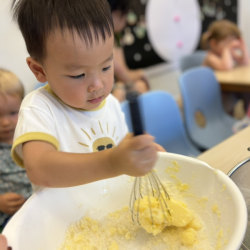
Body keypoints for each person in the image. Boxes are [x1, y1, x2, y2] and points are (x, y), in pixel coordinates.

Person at [11, 0, 164, 191]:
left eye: (106, 67)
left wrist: (136, 151)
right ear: (39, 70)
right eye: (78, 75)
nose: (97, 85)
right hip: (65, 218)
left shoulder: (111, 104)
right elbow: (39, 169)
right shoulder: (39, 108)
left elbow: (118, 146)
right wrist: (113, 162)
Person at [0, 69, 32, 230]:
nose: (5, 122)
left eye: (13, 113)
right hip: (11, 215)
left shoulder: (31, 135)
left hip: (41, 203)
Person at [201, 20, 250, 116]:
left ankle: (246, 117)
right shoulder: (210, 56)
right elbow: (226, 67)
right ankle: (227, 117)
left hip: (225, 89)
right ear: (213, 44)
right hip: (211, 94)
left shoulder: (227, 54)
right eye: (227, 43)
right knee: (231, 97)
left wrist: (242, 45)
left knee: (247, 92)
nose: (232, 46)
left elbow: (245, 63)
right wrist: (227, 49)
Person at [107, 0, 150, 102]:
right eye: (125, 15)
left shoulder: (116, 35)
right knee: (121, 90)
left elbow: (123, 72)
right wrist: (141, 73)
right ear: (117, 14)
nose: (126, 20)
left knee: (140, 86)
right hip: (107, 89)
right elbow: (123, 74)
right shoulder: (104, 37)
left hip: (117, 85)